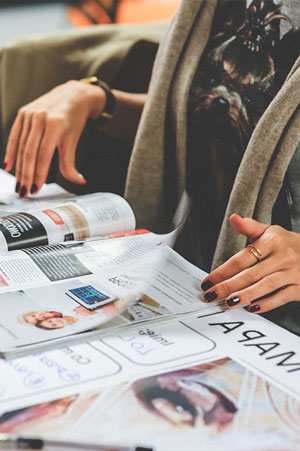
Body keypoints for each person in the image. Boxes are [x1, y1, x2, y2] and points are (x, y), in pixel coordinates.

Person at [1, 0, 300, 330]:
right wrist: (98, 101)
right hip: (189, 275)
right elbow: (204, 123)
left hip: (277, 319)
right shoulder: (207, 7)